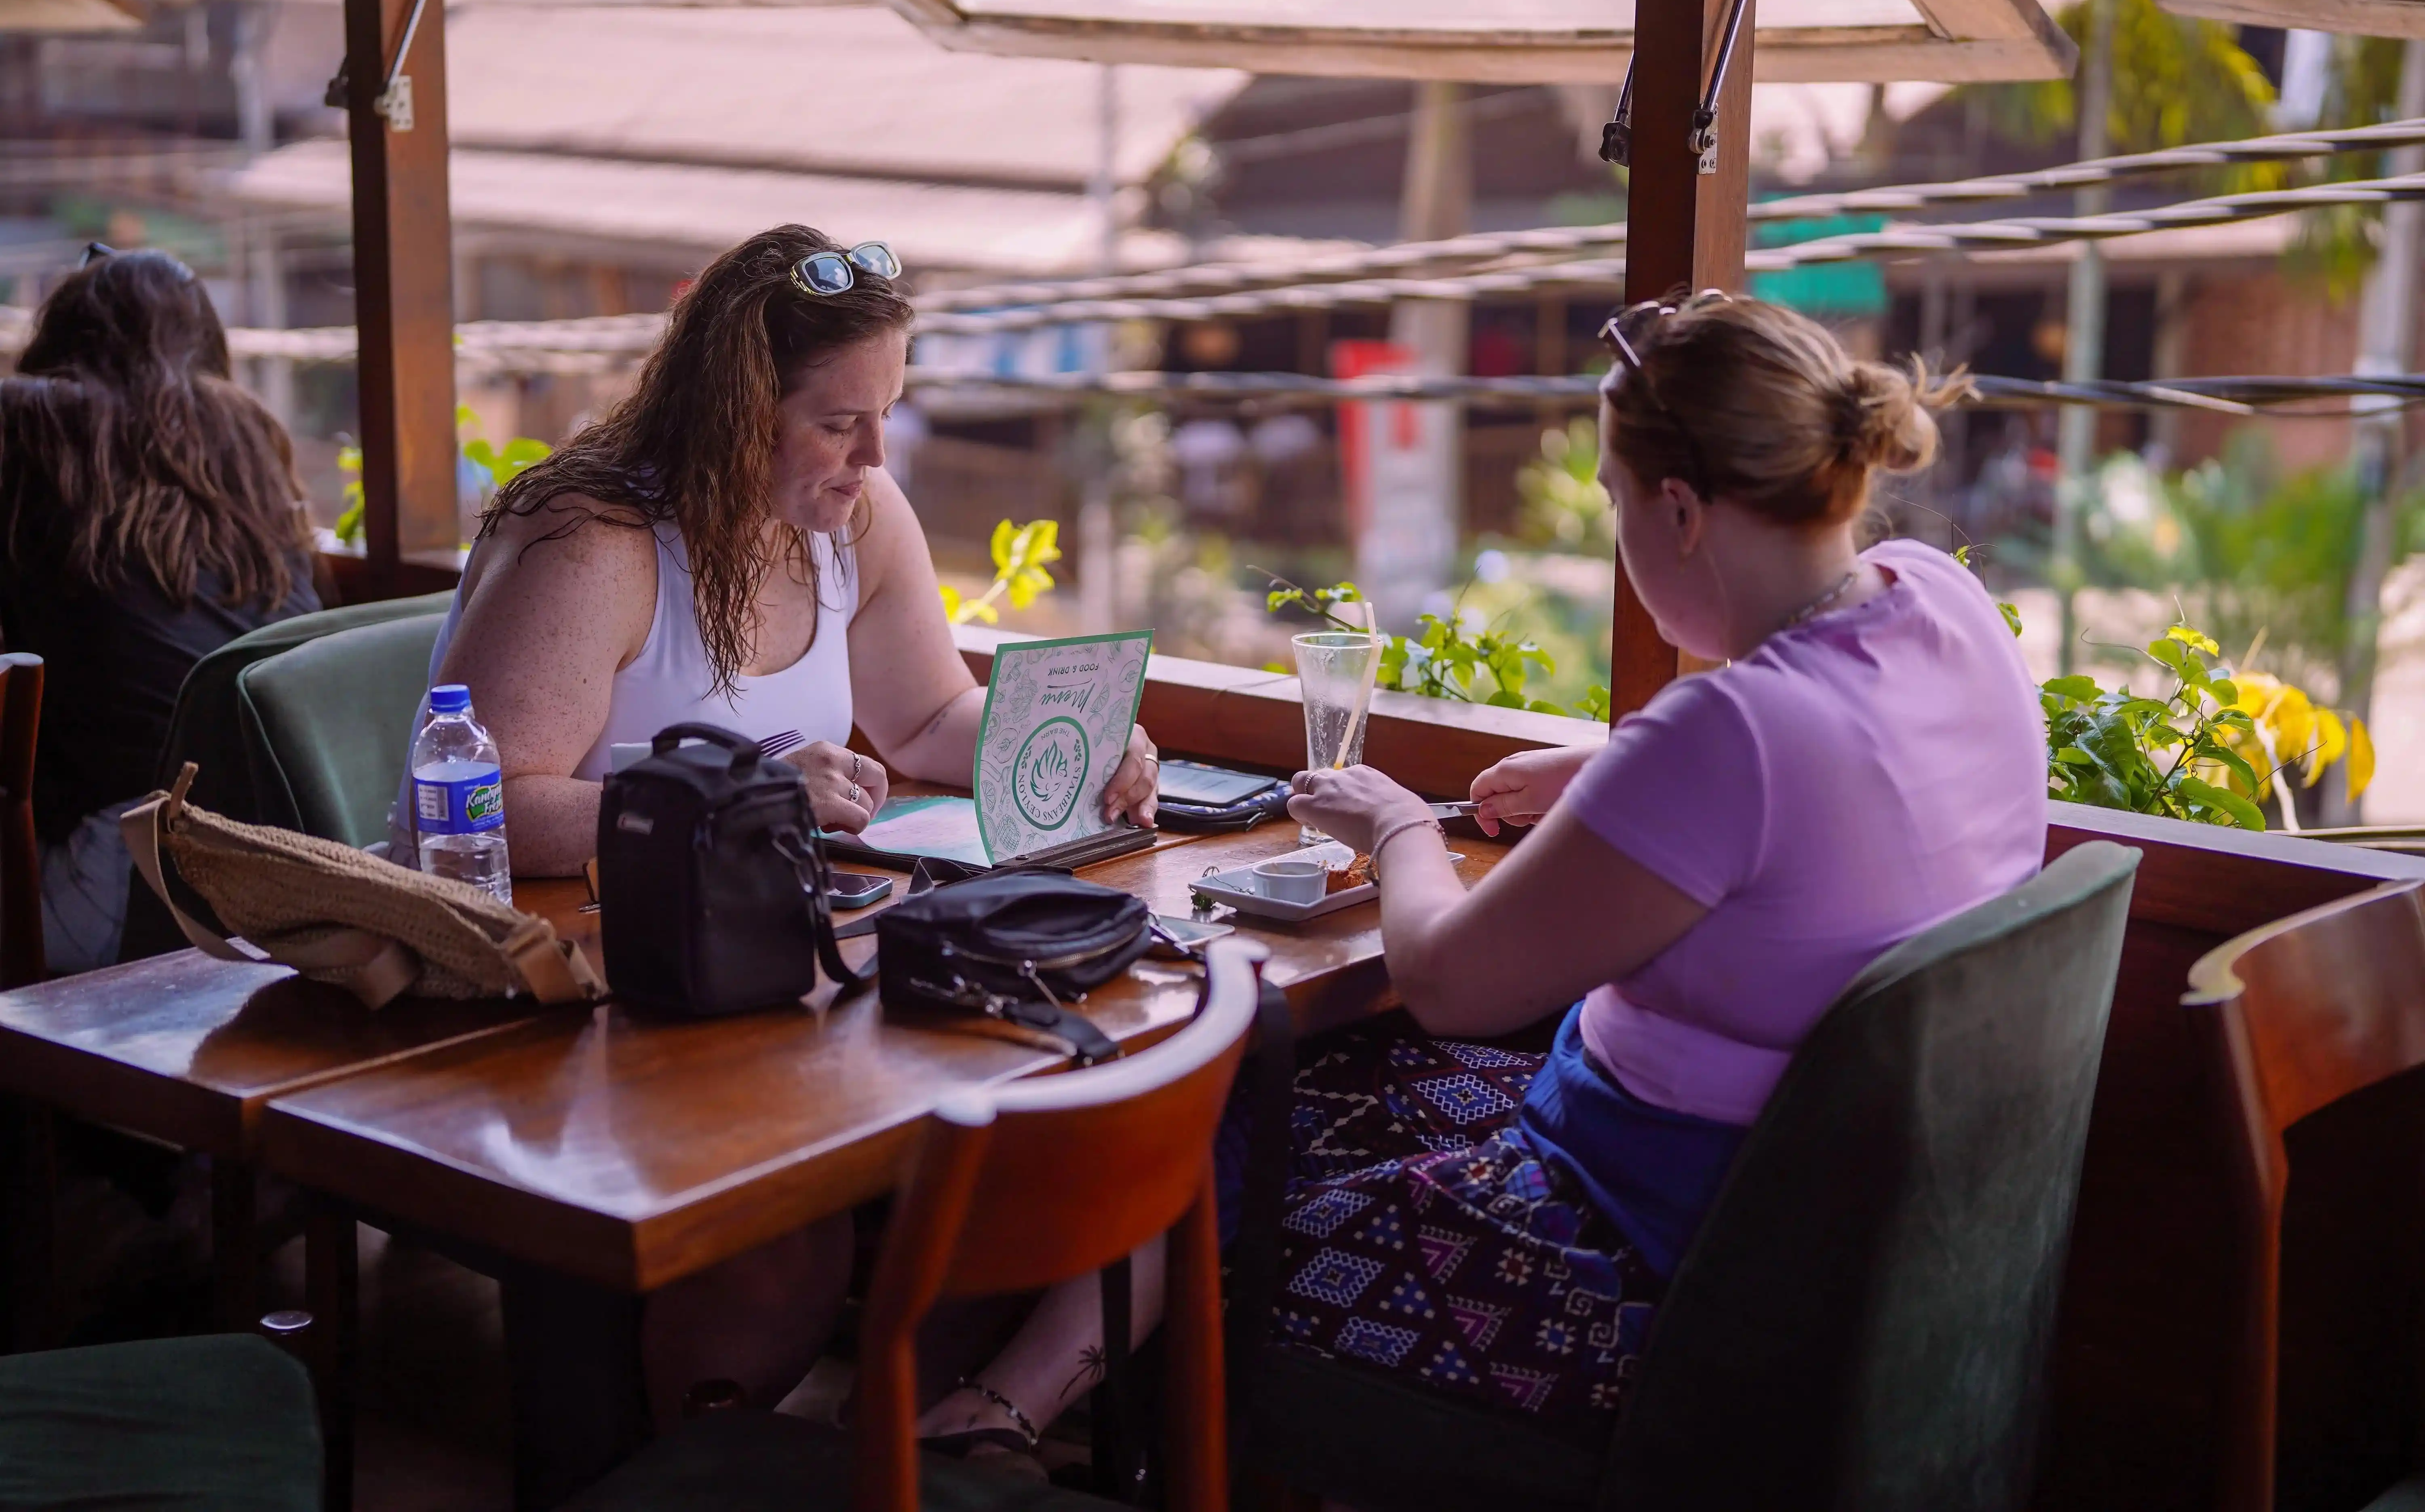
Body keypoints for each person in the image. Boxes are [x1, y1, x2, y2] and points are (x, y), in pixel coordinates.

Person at [920, 291, 2046, 1462]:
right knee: (1273, 1095)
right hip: (1853, 1246)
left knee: (1215, 1167)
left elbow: (1452, 982)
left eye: (1614, 502)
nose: (1619, 529)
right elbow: (1848, 779)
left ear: (1680, 510)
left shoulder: (1731, 736)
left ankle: (1000, 1422)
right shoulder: (1937, 599)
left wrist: (1400, 823)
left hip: (1654, 1277)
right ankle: (1009, 1409)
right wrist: (1616, 769)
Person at [419, 224, 1159, 1423]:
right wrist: (735, 810)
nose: (877, 453)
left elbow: (924, 719)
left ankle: (914, 1451)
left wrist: (1076, 743)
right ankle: (684, 1466)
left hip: (768, 984)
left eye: (889, 413)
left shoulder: (854, 519)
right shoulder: (594, 542)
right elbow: (480, 809)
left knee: (1014, 1159)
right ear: (734, 410)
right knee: (786, 1249)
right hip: (579, 1005)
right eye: (838, 422)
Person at [0, 245, 320, 974]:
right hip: (291, 865)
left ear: (67, 334)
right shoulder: (245, 433)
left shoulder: (29, 424)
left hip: (133, 884)